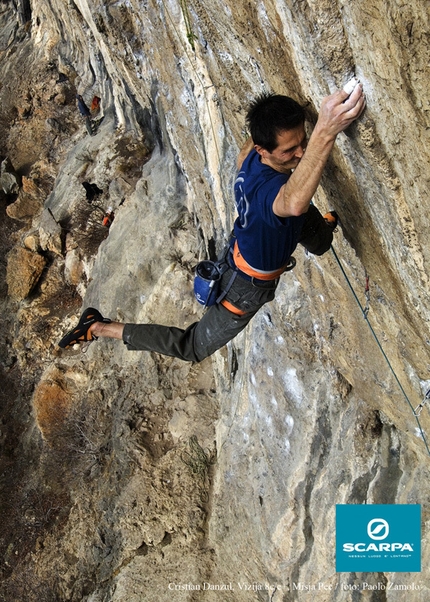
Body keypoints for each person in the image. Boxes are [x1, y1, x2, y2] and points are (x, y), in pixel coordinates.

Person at [59, 84, 366, 360]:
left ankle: (322, 230)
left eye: (304, 142)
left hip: (251, 242)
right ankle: (99, 327)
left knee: (316, 237)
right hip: (244, 285)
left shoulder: (250, 158)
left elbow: (263, 163)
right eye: (290, 150)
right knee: (192, 347)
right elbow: (293, 200)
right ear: (264, 150)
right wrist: (326, 130)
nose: (301, 154)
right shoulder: (271, 196)